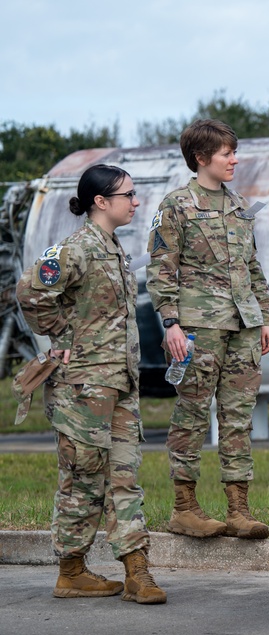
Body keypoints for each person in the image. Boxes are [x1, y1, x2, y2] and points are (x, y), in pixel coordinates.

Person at [16, 164, 166, 604]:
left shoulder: (113, 249)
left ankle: (138, 572)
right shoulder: (77, 248)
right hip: (82, 389)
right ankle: (72, 571)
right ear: (101, 201)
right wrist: (64, 337)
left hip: (117, 385)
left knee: (124, 477)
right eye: (129, 195)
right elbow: (30, 292)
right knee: (83, 479)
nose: (135, 202)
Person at [146, 119, 269, 541]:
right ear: (202, 158)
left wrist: (266, 317)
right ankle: (185, 508)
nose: (234, 160)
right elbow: (161, 270)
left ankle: (238, 510)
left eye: (233, 152)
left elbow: (252, 268)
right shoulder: (176, 205)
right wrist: (170, 323)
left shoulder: (239, 206)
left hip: (242, 325)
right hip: (197, 327)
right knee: (192, 414)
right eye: (226, 154)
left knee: (237, 419)